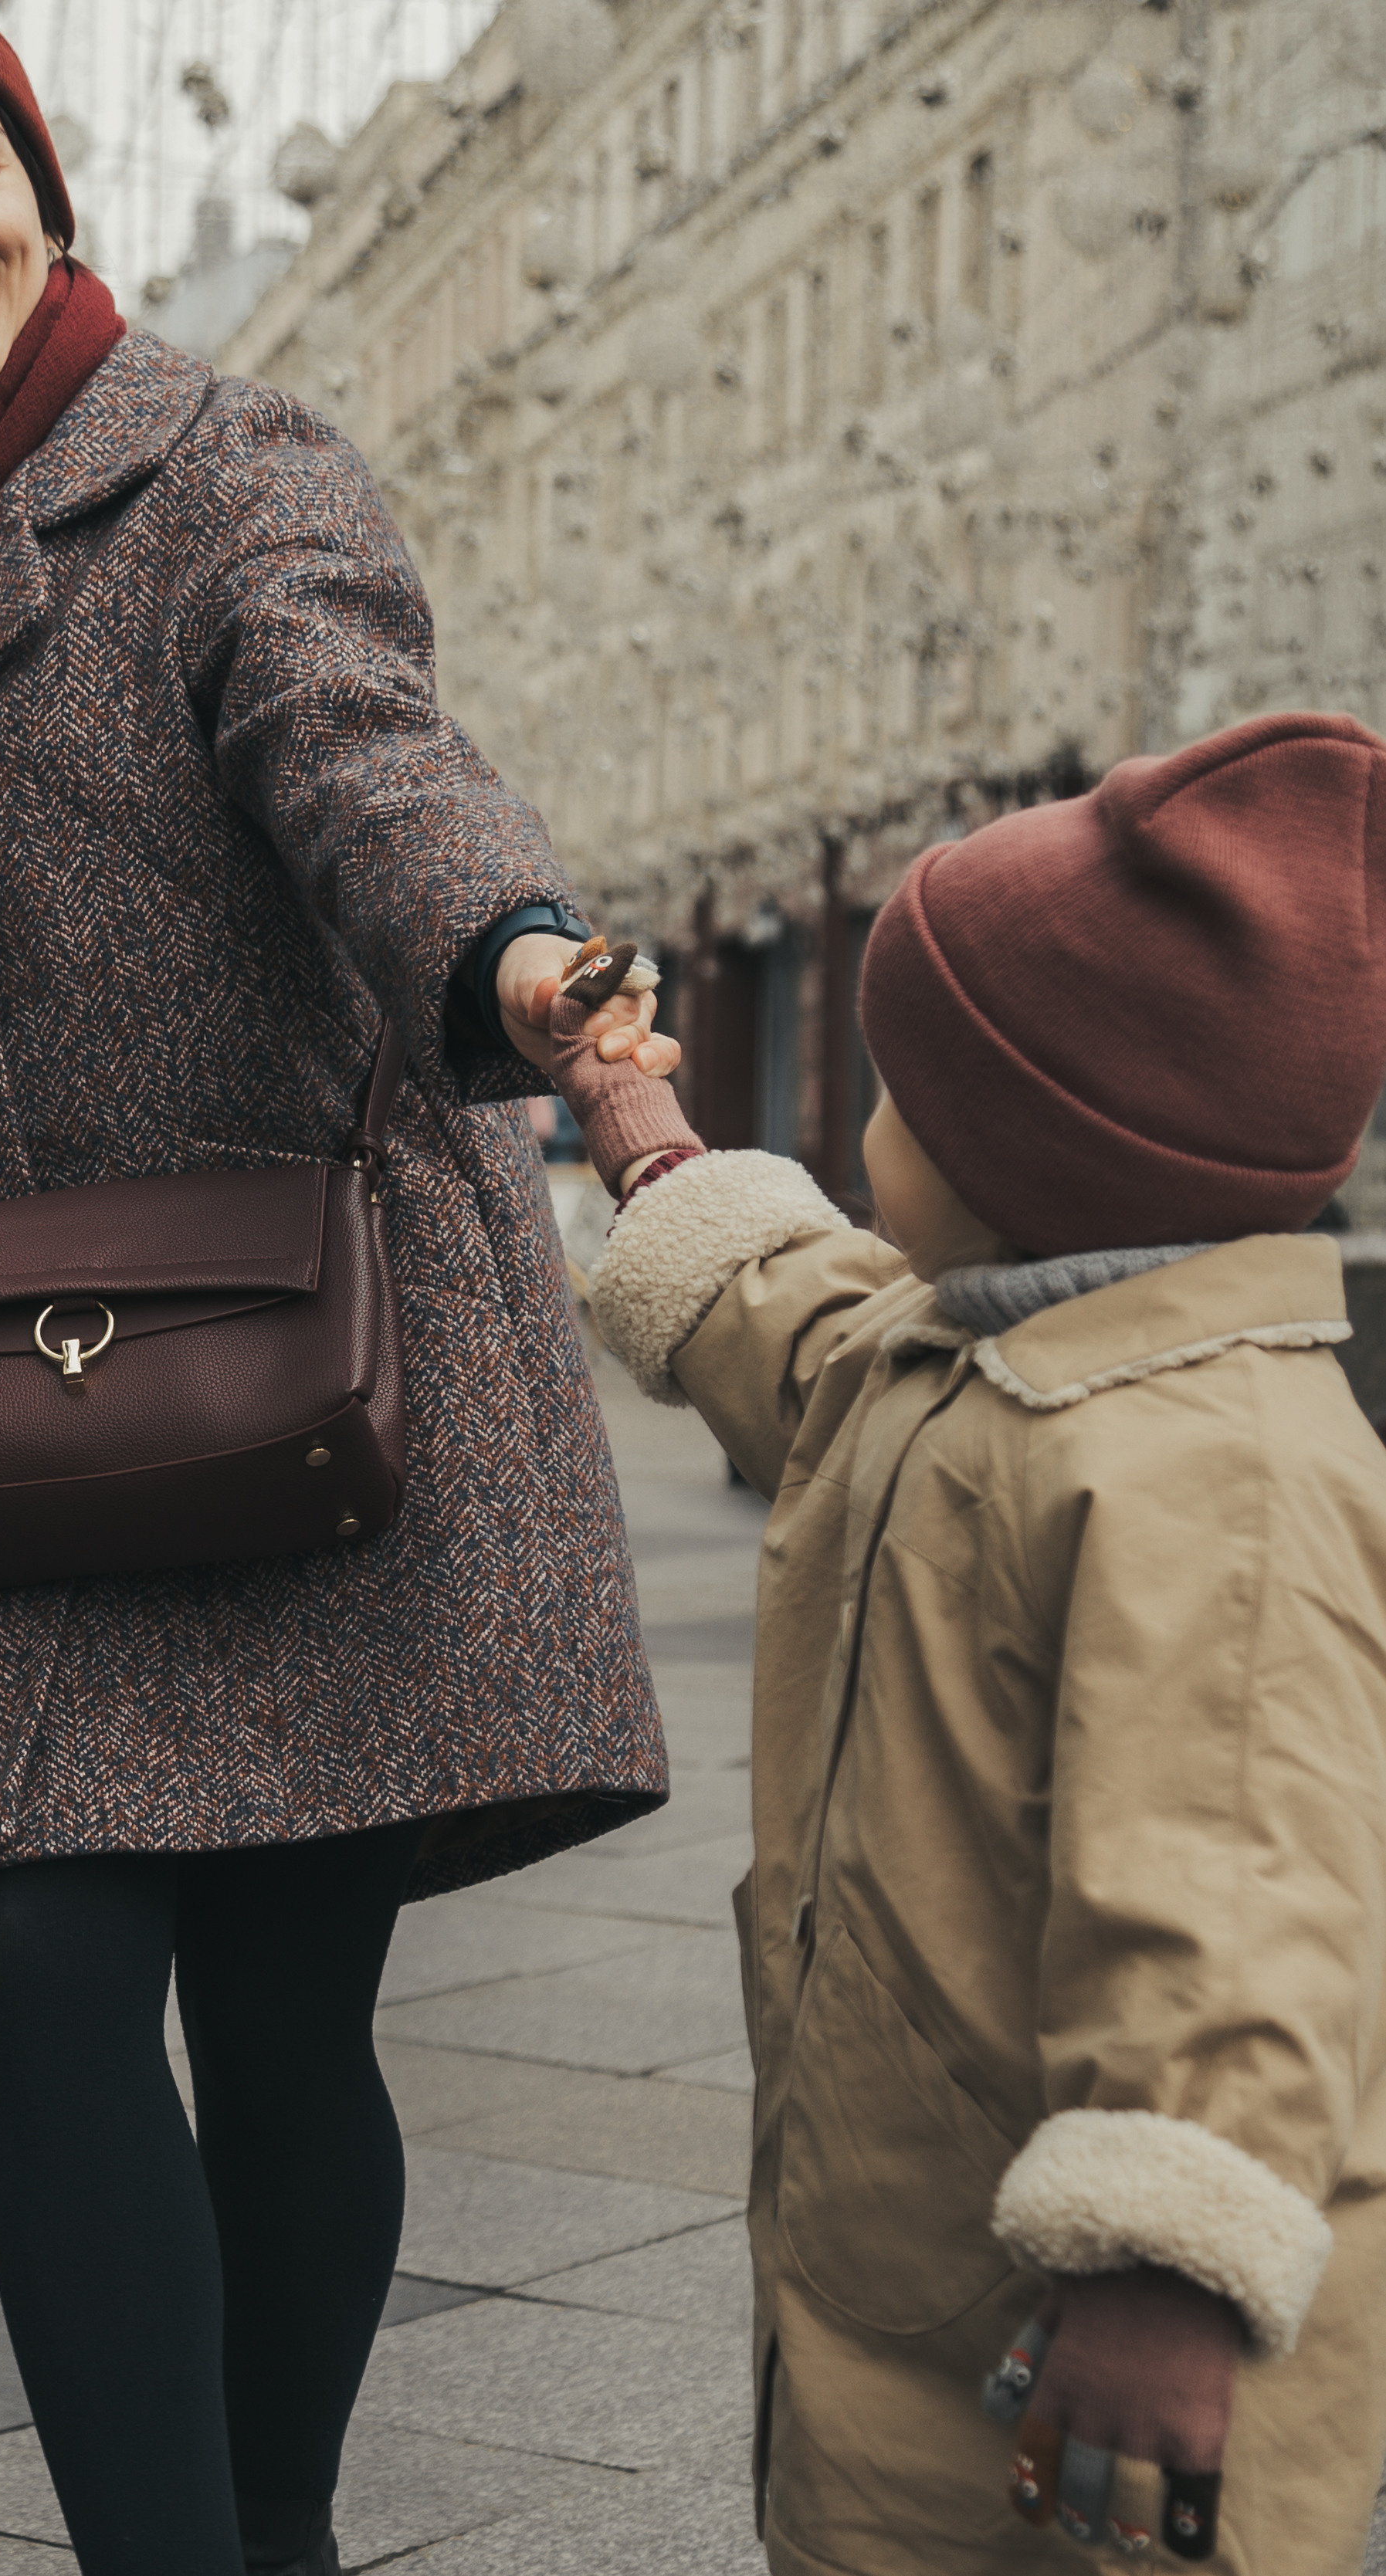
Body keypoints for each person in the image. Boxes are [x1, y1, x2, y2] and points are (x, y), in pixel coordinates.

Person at [0, 5, 676, 2569]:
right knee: (36, 1957)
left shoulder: (225, 464)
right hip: (22, 1393)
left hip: (289, 1354)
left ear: (37, 180)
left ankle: (277, 2523)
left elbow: (368, 754)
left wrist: (515, 961)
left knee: (276, 1998)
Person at [549, 711, 1386, 2575]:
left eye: (895, 1100)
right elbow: (791, 1314)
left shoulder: (1210, 1472)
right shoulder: (964, 1363)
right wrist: (639, 1134)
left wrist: (1165, 2268)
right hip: (920, 2253)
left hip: (1104, 2359)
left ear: (1033, 1150)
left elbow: (1238, 1902)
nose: (861, 1138)